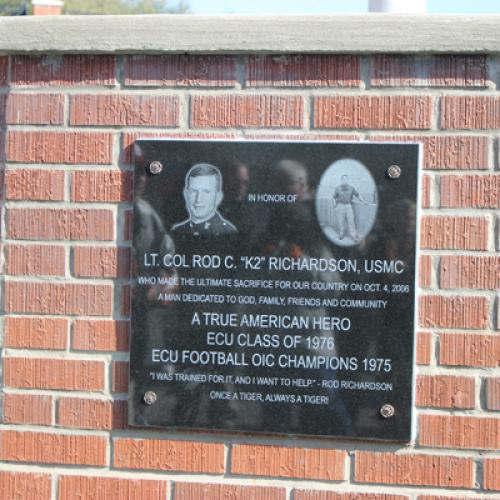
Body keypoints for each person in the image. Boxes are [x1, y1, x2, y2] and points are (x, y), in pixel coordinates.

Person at [171, 163, 237, 238]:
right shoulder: (177, 231)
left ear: (218, 198)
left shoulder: (228, 232)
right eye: (193, 191)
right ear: (186, 195)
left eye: (206, 192)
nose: (198, 199)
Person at [332, 174, 369, 243]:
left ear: (348, 180)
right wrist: (335, 206)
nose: (345, 180)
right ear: (342, 180)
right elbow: (334, 198)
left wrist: (364, 201)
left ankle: (354, 236)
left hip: (349, 206)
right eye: (343, 179)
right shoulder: (337, 188)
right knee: (341, 221)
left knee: (351, 221)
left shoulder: (351, 188)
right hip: (340, 206)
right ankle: (341, 233)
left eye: (346, 179)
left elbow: (358, 195)